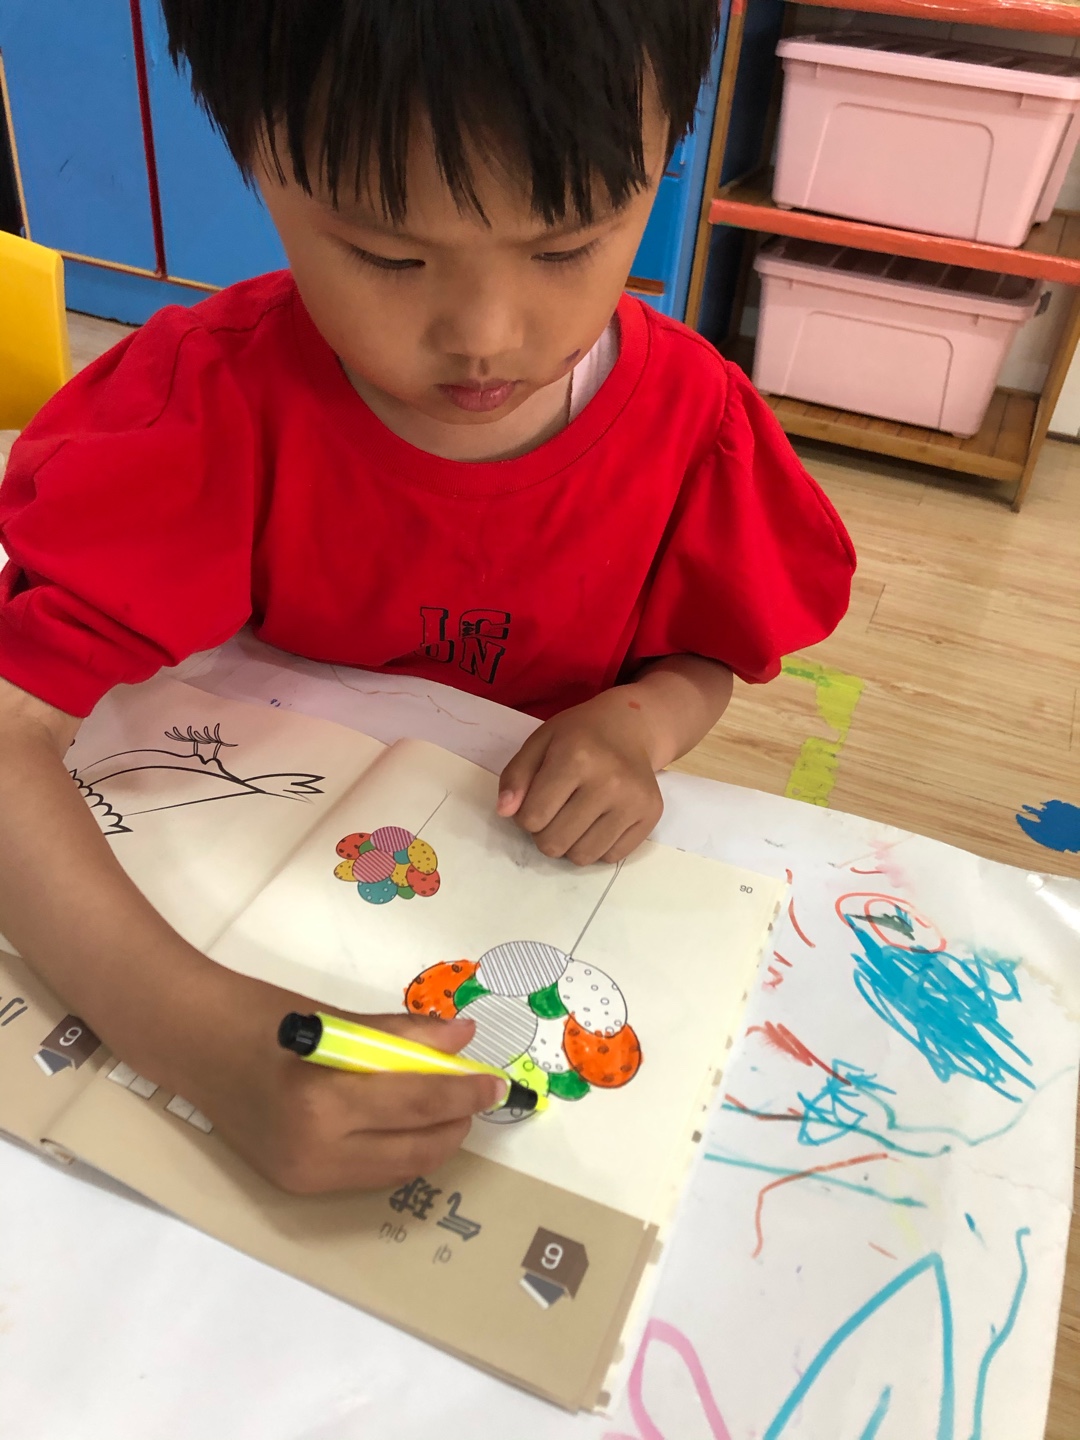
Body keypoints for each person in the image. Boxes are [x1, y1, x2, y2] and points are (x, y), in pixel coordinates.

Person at [0, 1, 854, 1194]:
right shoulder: (210, 403)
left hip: (527, 904)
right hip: (272, 860)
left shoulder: (688, 425)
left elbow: (706, 652)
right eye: (389, 257)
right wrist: (204, 1038)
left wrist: (640, 724)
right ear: (254, 162)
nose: (485, 337)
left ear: (665, 159)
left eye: (568, 247)